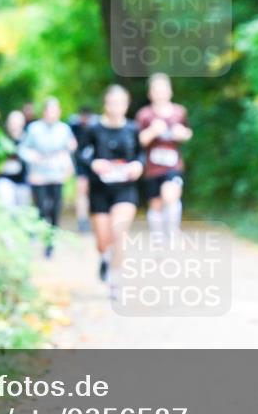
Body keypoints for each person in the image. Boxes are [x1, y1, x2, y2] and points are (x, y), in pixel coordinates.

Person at [78, 85, 144, 296]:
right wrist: (94, 164)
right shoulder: (93, 129)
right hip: (100, 191)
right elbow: (81, 154)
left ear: (127, 105)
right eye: (112, 103)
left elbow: (141, 155)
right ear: (106, 104)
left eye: (121, 103)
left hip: (125, 190)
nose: (117, 107)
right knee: (103, 241)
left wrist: (138, 166)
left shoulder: (133, 129)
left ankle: (116, 280)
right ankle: (105, 258)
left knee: (119, 232)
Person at [19, 98, 76, 258]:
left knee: (56, 209)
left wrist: (69, 160)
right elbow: (23, 149)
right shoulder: (34, 129)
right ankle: (40, 235)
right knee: (42, 209)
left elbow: (69, 149)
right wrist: (33, 157)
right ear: (44, 112)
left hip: (57, 175)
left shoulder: (64, 129)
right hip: (39, 175)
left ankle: (51, 243)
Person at [136, 73, 192, 238]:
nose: (160, 93)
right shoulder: (144, 114)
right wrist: (152, 131)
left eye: (163, 89)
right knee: (156, 204)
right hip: (152, 168)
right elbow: (138, 140)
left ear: (170, 91)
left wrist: (182, 133)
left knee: (170, 194)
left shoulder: (179, 112)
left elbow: (188, 132)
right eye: (156, 90)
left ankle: (173, 231)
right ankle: (158, 238)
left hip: (173, 165)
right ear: (150, 93)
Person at [0, 110, 31, 212]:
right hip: (4, 180)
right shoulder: (1, 140)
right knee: (8, 208)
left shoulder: (27, 140)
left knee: (23, 211)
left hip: (23, 182)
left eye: (17, 123)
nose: (14, 126)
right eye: (12, 123)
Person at [68, 106, 96, 233]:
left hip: (95, 165)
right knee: (81, 191)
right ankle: (82, 221)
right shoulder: (74, 127)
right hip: (81, 164)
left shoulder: (95, 128)